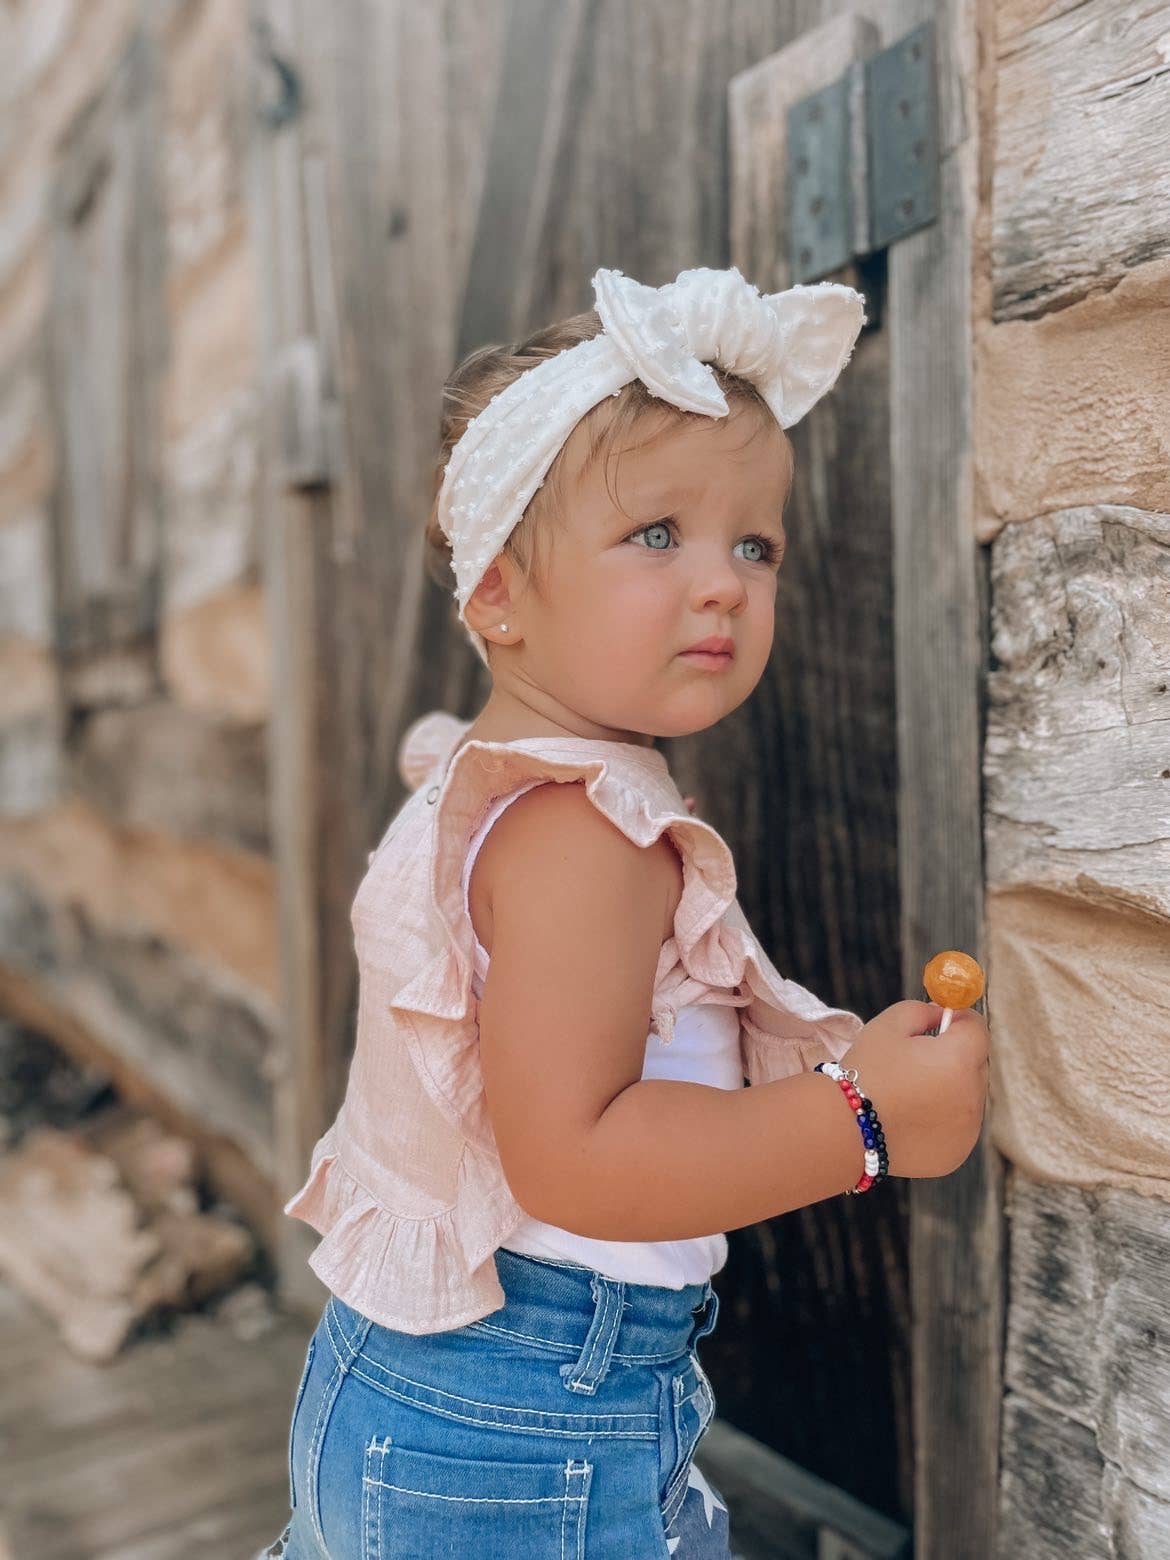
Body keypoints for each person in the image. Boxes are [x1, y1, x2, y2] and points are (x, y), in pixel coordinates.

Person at [257, 267, 991, 1559]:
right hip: (518, 1422)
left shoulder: (499, 787)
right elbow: (575, 1158)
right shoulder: (581, 835)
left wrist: (820, 1057)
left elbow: (625, 1047)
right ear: (496, 596)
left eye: (751, 544)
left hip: (426, 1398)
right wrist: (863, 1124)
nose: (720, 583)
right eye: (656, 535)